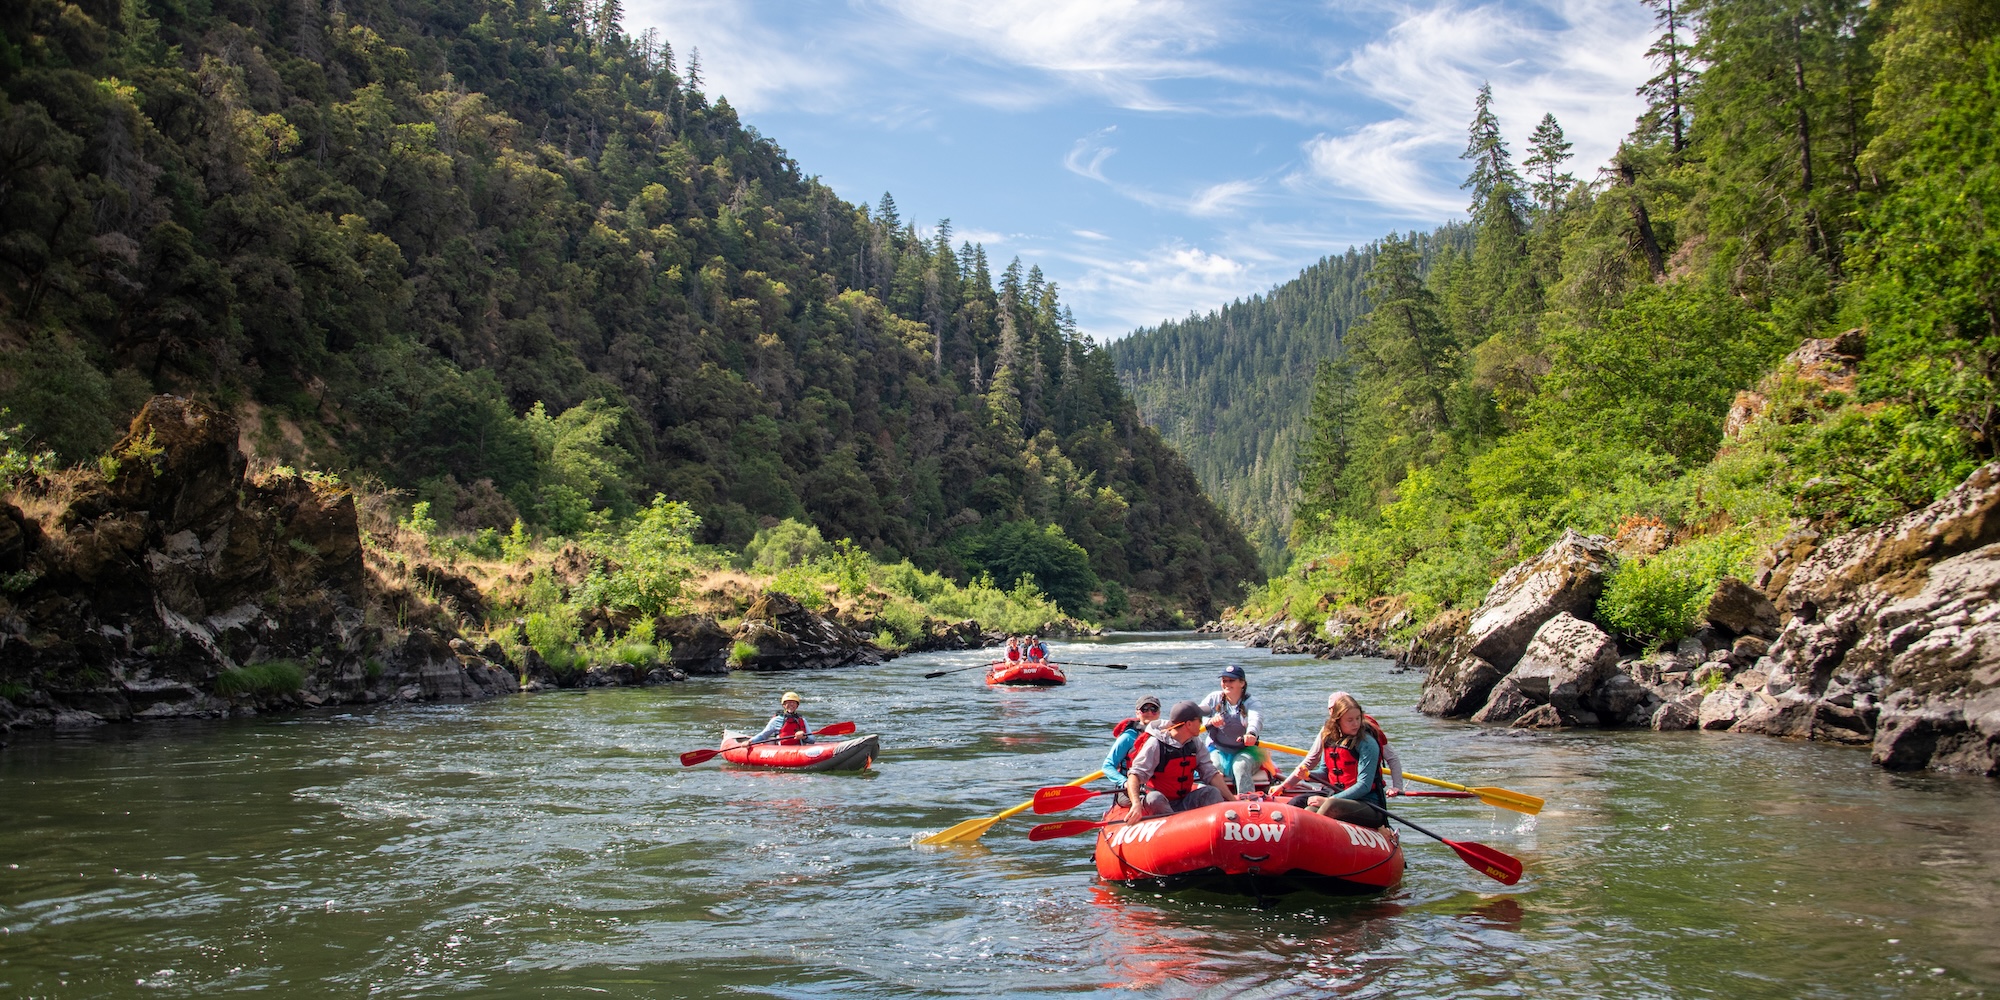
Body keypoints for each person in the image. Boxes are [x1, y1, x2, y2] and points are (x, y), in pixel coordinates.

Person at [1273, 692, 1387, 827]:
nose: (1355, 724)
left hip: (1368, 804)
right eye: (1350, 720)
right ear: (1337, 720)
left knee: (1330, 805)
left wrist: (1329, 799)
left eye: (1358, 718)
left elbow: (1364, 786)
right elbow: (1326, 773)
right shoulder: (1329, 738)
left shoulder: (1367, 743)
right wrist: (1309, 775)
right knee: (1308, 809)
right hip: (1338, 798)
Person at [1124, 700, 1237, 817]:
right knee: (1154, 798)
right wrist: (1136, 804)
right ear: (1188, 724)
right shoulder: (1155, 744)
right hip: (1160, 803)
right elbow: (1134, 776)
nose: (1201, 724)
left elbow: (1210, 773)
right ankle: (1173, 826)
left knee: (1211, 792)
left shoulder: (1195, 743)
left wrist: (1233, 801)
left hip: (1184, 801)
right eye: (1199, 720)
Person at [1198, 665, 1264, 795]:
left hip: (1245, 749)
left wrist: (1251, 734)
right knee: (1213, 768)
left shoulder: (1252, 702)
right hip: (1217, 748)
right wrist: (1210, 721)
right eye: (1224, 680)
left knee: (1240, 766)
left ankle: (1247, 800)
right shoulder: (1213, 698)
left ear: (1242, 683)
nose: (1226, 684)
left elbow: (1256, 720)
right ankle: (1211, 800)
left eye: (1231, 680)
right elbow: (1198, 715)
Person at [1103, 694, 1162, 784]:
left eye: (1154, 709)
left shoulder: (1165, 734)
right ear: (1137, 713)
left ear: (1158, 713)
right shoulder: (1128, 737)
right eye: (1144, 709)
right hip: (1129, 785)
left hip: (1156, 785)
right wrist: (1124, 782)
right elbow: (1108, 766)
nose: (1149, 712)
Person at [747, 691, 813, 745]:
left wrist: (804, 737)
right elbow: (763, 735)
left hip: (798, 750)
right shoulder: (776, 720)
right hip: (781, 750)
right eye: (789, 703)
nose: (791, 705)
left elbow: (812, 740)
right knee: (768, 741)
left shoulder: (802, 720)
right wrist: (749, 742)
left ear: (797, 705)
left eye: (794, 703)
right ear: (784, 705)